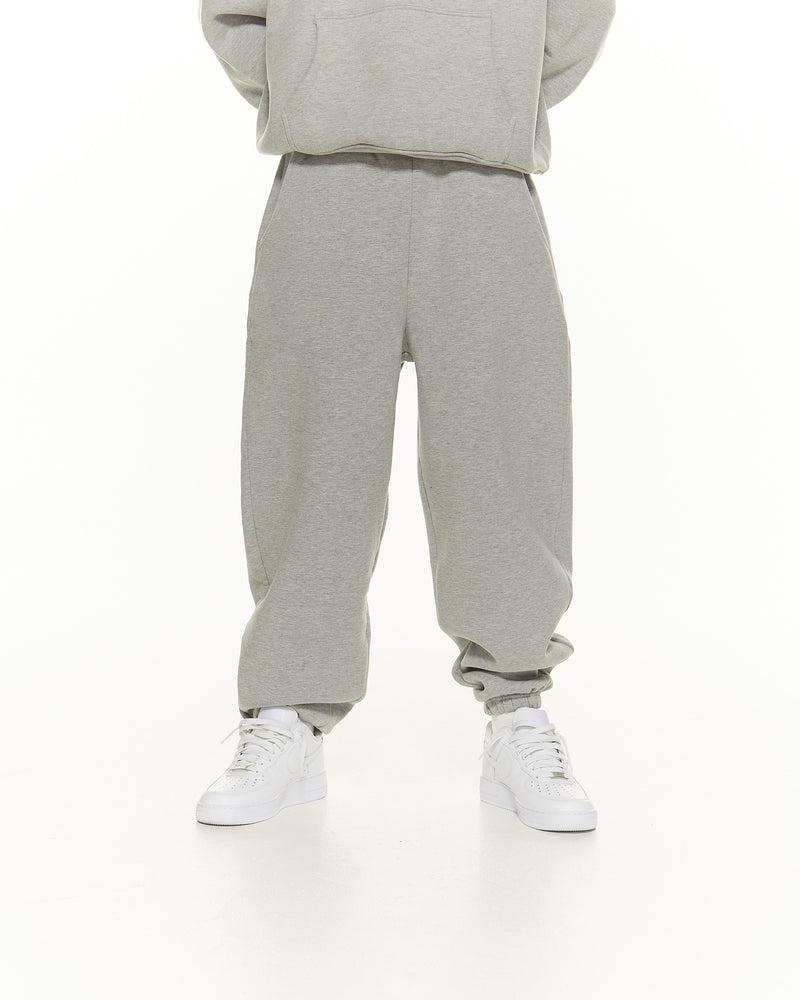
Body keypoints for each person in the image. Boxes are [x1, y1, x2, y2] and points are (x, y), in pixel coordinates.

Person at [194, 0, 615, 832]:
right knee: (307, 453)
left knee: (504, 453)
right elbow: (232, 11)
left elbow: (577, 12)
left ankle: (518, 708)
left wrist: (499, 80)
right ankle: (286, 709)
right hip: (325, 170)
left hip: (487, 179)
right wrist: (305, 76)